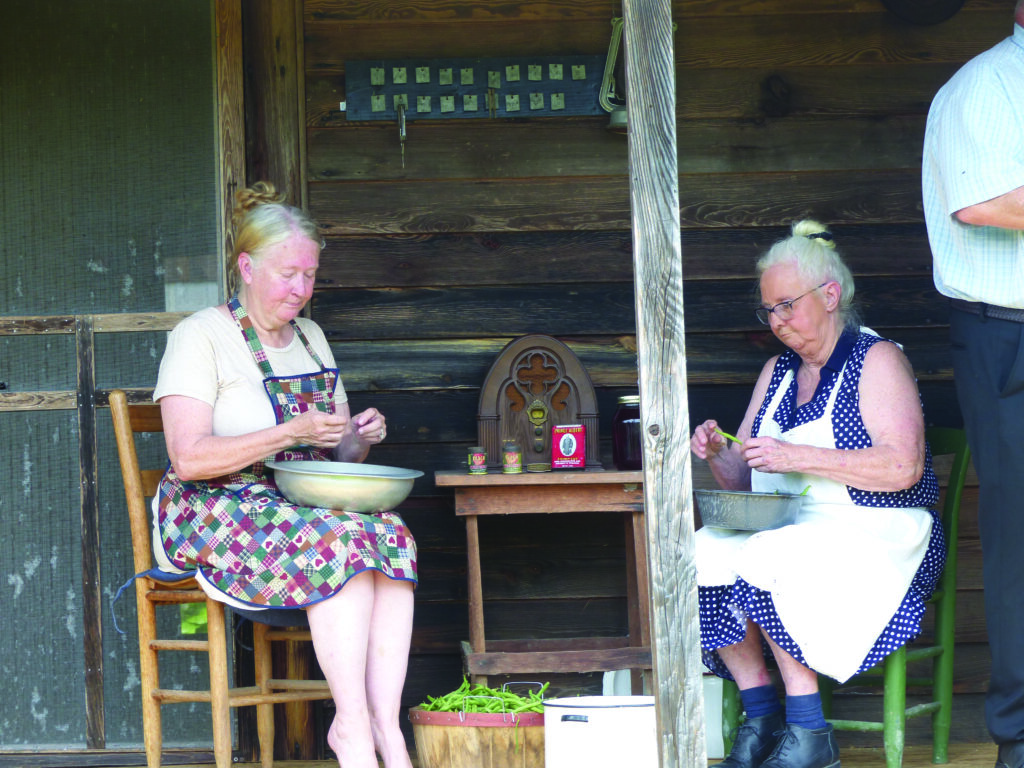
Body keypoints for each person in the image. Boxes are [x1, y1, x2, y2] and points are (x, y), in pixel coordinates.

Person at [152, 181, 416, 768]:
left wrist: (358, 438)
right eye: (287, 273)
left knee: (392, 536)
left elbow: (337, 463)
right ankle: (351, 728)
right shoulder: (202, 336)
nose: (301, 288)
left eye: (311, 275)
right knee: (343, 540)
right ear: (247, 267)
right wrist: (289, 432)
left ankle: (386, 729)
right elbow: (188, 459)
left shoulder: (312, 339)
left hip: (299, 502)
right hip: (214, 507)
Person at [691, 220, 946, 768]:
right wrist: (719, 453)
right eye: (768, 311)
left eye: (786, 305)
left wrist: (795, 455)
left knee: (770, 555)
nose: (777, 321)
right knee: (703, 552)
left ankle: (809, 732)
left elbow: (903, 467)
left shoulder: (875, 360)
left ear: (830, 295)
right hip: (795, 525)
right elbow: (745, 481)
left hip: (878, 529)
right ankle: (760, 716)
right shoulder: (777, 371)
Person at [922, 5, 1024, 767]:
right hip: (1007, 335)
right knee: (1021, 540)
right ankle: (1019, 739)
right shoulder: (988, 84)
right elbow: (983, 202)